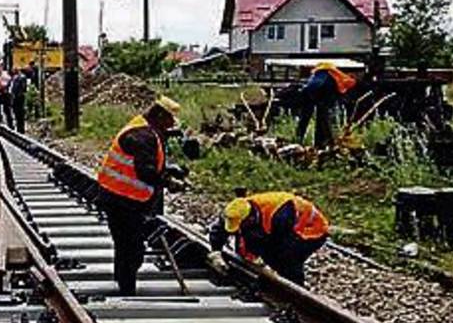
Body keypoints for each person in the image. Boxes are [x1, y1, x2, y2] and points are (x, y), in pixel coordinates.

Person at [96, 96, 189, 296]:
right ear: (160, 115)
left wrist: (168, 171)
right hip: (121, 199)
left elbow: (146, 164)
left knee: (125, 244)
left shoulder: (144, 129)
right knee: (132, 247)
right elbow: (145, 172)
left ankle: (123, 282)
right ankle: (126, 289)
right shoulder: (143, 135)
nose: (172, 125)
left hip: (121, 197)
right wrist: (169, 182)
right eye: (170, 119)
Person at [207, 191, 330, 286]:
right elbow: (220, 229)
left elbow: (275, 245)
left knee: (286, 259)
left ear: (250, 219)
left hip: (311, 230)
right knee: (250, 245)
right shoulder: (235, 211)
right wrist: (216, 251)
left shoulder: (280, 216)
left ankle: (295, 288)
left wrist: (266, 265)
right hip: (281, 226)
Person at [295, 62, 359, 148]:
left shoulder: (330, 75)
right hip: (317, 92)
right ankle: (321, 143)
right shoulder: (338, 81)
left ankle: (303, 140)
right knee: (321, 118)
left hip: (311, 91)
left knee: (311, 118)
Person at [9, 66, 29, 133]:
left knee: (20, 113)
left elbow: (23, 88)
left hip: (19, 98)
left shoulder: (22, 77)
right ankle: (18, 127)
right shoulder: (14, 78)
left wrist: (18, 95)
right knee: (16, 113)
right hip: (15, 97)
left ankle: (21, 128)